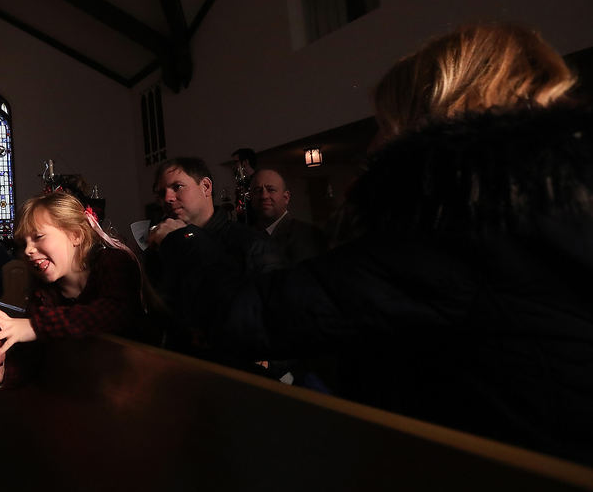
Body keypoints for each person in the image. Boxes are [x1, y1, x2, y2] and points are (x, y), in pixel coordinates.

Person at [166, 23, 593, 465]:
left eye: (386, 123)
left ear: (429, 120)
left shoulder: (445, 233)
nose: (373, 143)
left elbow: (251, 315)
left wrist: (183, 243)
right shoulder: (545, 208)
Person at [0, 192, 149, 400]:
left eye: (38, 237)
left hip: (133, 384)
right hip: (81, 391)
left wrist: (35, 326)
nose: (28, 250)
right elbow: (32, 355)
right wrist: (4, 373)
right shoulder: (44, 292)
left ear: (76, 235)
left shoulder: (113, 261)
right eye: (23, 243)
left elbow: (114, 313)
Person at [144, 157, 281, 361]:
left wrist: (269, 363)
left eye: (177, 187)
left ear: (206, 186)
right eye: (161, 192)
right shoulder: (161, 247)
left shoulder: (249, 243)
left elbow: (278, 313)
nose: (168, 198)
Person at [249, 168, 327, 265]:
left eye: (271, 190)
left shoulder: (307, 234)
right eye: (258, 190)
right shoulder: (247, 235)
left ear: (286, 197)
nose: (264, 196)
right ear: (251, 198)